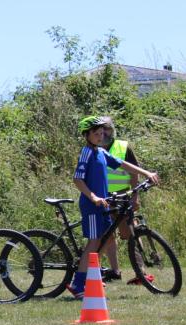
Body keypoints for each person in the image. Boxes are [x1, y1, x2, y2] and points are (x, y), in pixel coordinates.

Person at [68, 116, 160, 299]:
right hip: (92, 205)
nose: (100, 135)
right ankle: (78, 283)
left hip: (104, 204)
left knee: (106, 238)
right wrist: (93, 196)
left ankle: (91, 276)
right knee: (94, 242)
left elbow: (122, 164)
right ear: (86, 135)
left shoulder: (101, 152)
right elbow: (77, 178)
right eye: (96, 133)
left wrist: (146, 173)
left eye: (102, 132)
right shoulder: (87, 152)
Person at [100, 117, 155, 286]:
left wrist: (135, 196)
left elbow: (134, 173)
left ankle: (141, 273)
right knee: (106, 236)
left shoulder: (123, 146)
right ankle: (115, 271)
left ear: (112, 130)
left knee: (129, 234)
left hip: (123, 196)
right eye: (100, 129)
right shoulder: (93, 148)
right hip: (103, 196)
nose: (103, 133)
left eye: (106, 129)